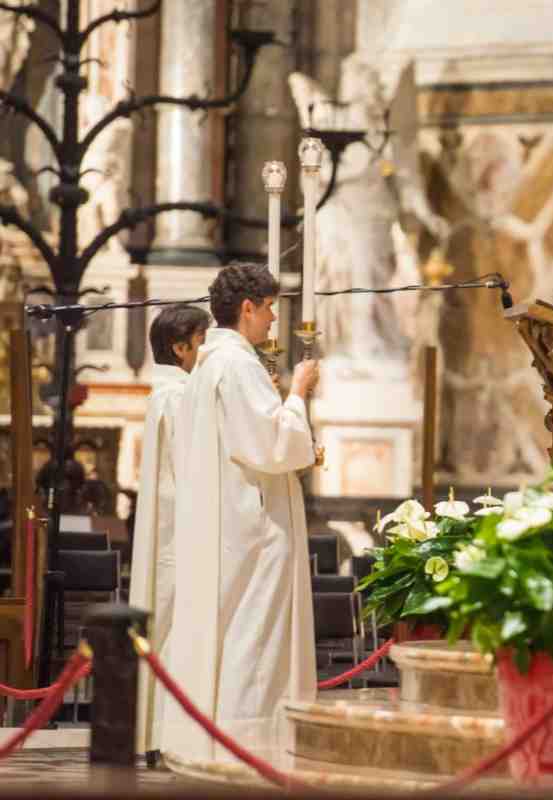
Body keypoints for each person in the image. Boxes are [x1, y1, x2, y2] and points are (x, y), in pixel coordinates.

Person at [161, 264, 321, 762]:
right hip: (256, 532)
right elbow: (273, 445)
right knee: (255, 640)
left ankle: (217, 743)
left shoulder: (210, 365)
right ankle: (250, 750)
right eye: (269, 307)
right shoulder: (237, 364)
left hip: (225, 523)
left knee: (233, 633)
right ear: (247, 307)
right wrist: (298, 393)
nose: (274, 318)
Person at [129, 304, 210, 760]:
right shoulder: (179, 397)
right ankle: (165, 735)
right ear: (180, 348)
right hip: (179, 533)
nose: (208, 349)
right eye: (203, 341)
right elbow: (195, 467)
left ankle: (161, 733)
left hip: (173, 529)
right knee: (173, 626)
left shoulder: (170, 392)